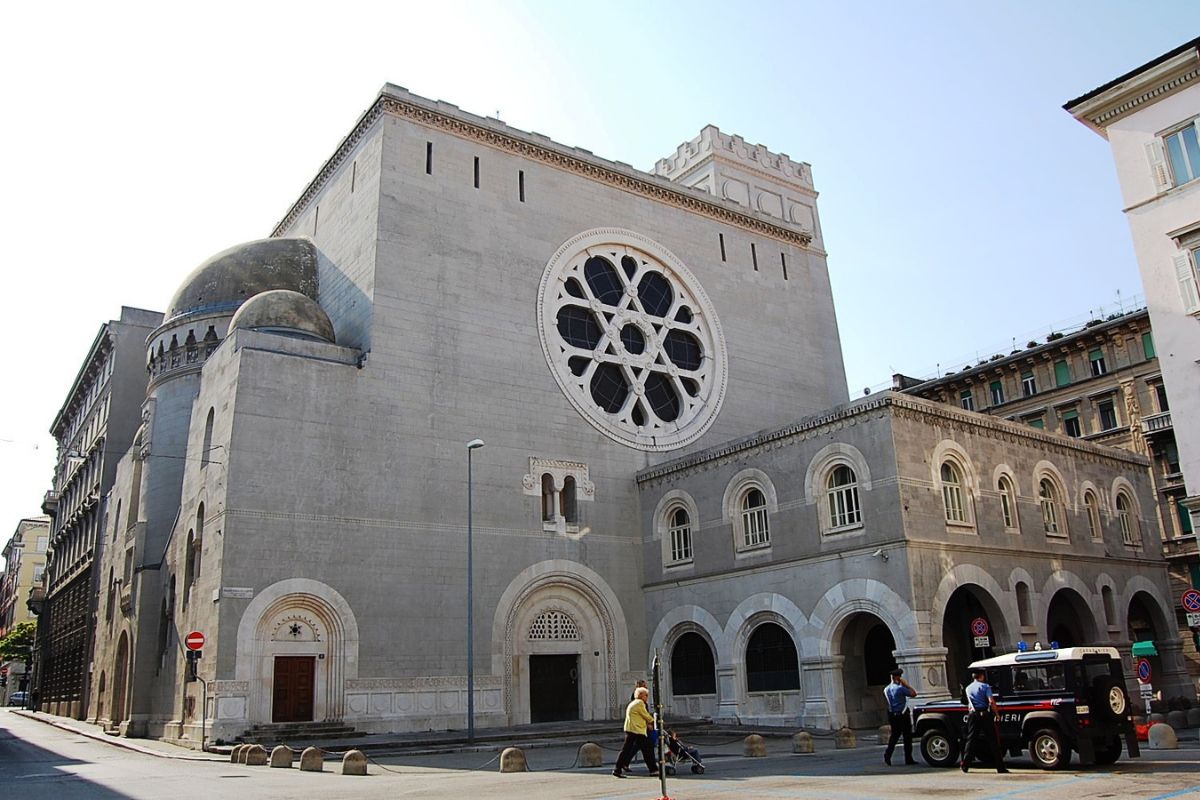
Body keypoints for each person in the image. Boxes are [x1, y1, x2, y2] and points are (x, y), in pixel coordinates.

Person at [960, 668, 1008, 774]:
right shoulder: (985, 687)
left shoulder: (968, 688)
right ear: (981, 676)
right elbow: (991, 701)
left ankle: (965, 765)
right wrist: (996, 714)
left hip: (973, 715)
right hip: (985, 715)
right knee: (993, 740)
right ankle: (1000, 767)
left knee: (971, 740)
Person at [613, 686, 658, 778]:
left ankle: (617, 769)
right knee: (648, 749)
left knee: (626, 750)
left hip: (631, 729)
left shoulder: (633, 703)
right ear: (641, 695)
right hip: (637, 730)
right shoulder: (640, 703)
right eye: (646, 695)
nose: (647, 697)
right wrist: (655, 722)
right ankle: (653, 770)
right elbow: (646, 716)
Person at [883, 667, 918, 766]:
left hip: (892, 715)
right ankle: (908, 758)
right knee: (907, 737)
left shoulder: (886, 689)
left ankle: (887, 755)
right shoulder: (900, 689)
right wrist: (907, 685)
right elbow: (914, 693)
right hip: (903, 715)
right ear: (898, 678)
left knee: (894, 737)